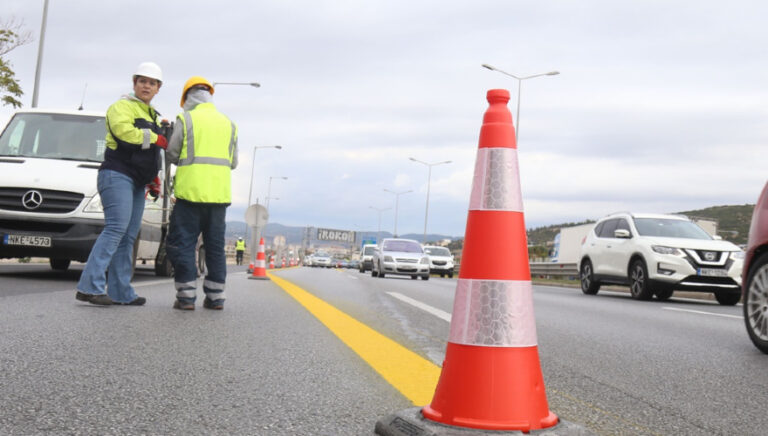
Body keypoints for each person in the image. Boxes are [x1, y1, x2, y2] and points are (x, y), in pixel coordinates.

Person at [75, 62, 166, 306]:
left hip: (138, 180)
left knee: (128, 235)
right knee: (116, 229)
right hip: (117, 174)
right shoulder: (121, 107)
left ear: (158, 88)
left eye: (152, 83)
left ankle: (120, 292)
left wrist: (153, 178)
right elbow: (125, 134)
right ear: (134, 83)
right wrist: (157, 137)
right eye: (142, 81)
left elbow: (150, 152)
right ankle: (89, 287)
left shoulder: (152, 114)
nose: (146, 86)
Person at [165, 76, 238, 310]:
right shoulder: (229, 123)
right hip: (218, 198)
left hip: (190, 195)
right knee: (215, 247)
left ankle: (186, 297)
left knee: (183, 244)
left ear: (186, 98)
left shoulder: (186, 120)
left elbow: (172, 154)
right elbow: (233, 162)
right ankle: (216, 297)